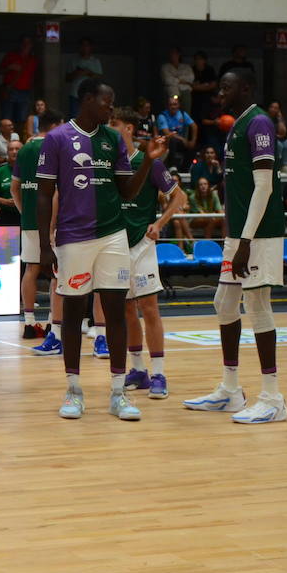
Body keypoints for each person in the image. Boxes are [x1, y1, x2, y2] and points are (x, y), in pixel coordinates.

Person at [36, 78, 168, 422]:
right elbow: (42, 194)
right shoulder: (57, 139)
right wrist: (43, 246)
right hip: (73, 237)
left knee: (116, 310)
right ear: (88, 99)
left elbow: (127, 191)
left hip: (113, 235)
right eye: (106, 102)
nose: (111, 108)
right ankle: (74, 389)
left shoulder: (112, 140)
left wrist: (147, 162)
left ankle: (117, 392)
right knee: (74, 310)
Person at [183, 70, 287, 423]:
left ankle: (273, 398)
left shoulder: (259, 124)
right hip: (239, 236)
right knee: (224, 302)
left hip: (259, 234)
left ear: (246, 87)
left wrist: (245, 240)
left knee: (258, 304)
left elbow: (264, 187)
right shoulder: (238, 126)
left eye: (227, 87)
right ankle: (230, 390)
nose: (220, 92)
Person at [109, 106, 184, 400]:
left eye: (114, 124)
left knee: (149, 308)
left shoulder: (149, 162)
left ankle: (159, 372)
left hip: (141, 244)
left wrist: (160, 223)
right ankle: (138, 369)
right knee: (126, 309)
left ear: (128, 128)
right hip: (115, 245)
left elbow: (180, 197)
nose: (110, 128)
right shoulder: (108, 164)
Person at [14, 110, 61, 343]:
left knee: (31, 269)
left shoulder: (24, 149)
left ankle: (30, 323)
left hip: (31, 220)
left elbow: (15, 187)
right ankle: (54, 321)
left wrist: (25, 212)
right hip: (55, 221)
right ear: (54, 126)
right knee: (56, 273)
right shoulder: (58, 146)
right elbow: (59, 190)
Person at [0, 35, 38, 126]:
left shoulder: (33, 60)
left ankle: (18, 140)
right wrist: (9, 67)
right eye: (24, 43)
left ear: (31, 45)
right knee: (6, 119)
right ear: (20, 44)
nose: (26, 45)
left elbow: (33, 78)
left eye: (28, 43)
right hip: (10, 90)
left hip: (25, 92)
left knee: (22, 120)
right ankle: (5, 140)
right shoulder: (11, 56)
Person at [0, 139, 22, 226]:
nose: (14, 152)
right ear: (7, 152)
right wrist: (5, 202)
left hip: (27, 214)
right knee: (7, 240)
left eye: (17, 149)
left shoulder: (31, 170)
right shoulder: (0, 171)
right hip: (6, 215)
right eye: (11, 149)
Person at [64, 38, 102, 118]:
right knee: (74, 118)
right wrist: (76, 73)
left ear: (91, 47)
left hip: (90, 94)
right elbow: (67, 79)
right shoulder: (73, 60)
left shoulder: (95, 61)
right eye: (82, 45)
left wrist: (88, 73)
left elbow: (99, 78)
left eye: (87, 45)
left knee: (90, 117)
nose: (84, 47)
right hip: (75, 94)